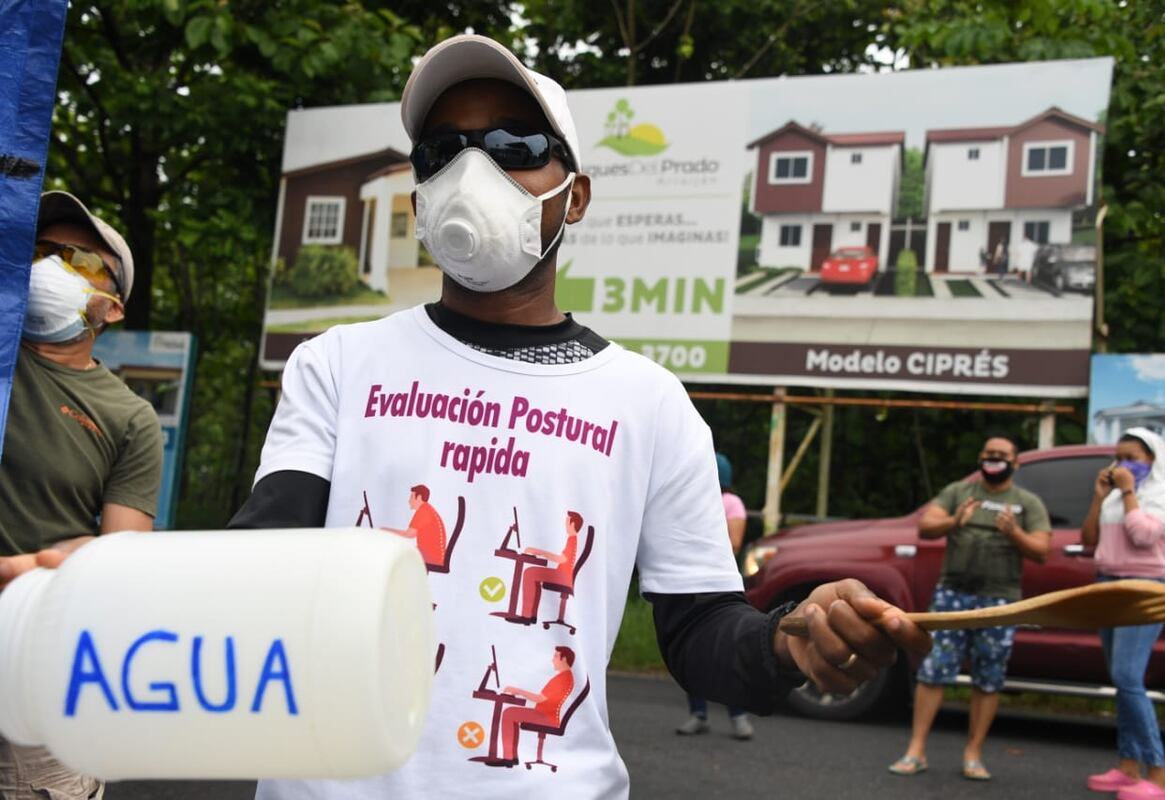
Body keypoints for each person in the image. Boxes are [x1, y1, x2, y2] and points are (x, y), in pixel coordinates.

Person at [230, 34, 930, 799]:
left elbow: (702, 633)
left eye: (514, 144)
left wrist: (790, 639)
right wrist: (112, 587)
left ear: (577, 196)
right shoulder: (335, 364)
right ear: (419, 194)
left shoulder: (650, 402)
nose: (474, 171)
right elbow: (264, 564)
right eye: (442, 151)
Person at [0, 191, 163, 799]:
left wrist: (48, 572)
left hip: (30, 679)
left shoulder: (129, 419)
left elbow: (116, 570)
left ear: (111, 307)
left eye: (78, 261)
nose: (51, 268)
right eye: (43, 251)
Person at [889, 433, 1050, 782]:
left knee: (988, 678)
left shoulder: (1027, 503)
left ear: (1015, 462)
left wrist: (1014, 533)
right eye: (989, 453)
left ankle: (973, 754)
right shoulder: (958, 493)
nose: (995, 459)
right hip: (952, 596)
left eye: (1002, 454)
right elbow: (926, 526)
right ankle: (915, 750)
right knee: (933, 671)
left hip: (1000, 601)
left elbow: (1041, 550)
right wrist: (954, 521)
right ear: (980, 458)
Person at [1081, 428, 1165, 800]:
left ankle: (1159, 777)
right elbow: (1089, 538)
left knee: (1128, 675)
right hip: (1109, 584)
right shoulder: (1112, 497)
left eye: (1132, 457)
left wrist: (1127, 492)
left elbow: (1142, 537)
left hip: (1145, 587)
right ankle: (1128, 767)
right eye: (1118, 456)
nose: (1122, 464)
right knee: (1119, 678)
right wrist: (1099, 499)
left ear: (1152, 459)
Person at [677, 453, 753, 739]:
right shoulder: (691, 499)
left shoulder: (731, 503)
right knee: (690, 652)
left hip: (720, 585)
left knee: (726, 652)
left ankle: (738, 715)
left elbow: (734, 544)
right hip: (690, 582)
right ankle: (698, 714)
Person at [499, 646, 576, 763]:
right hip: (545, 715)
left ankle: (509, 758)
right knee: (511, 713)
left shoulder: (563, 678)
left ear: (564, 659)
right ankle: (510, 757)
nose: (552, 660)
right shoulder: (565, 677)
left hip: (546, 717)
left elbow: (540, 699)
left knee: (509, 713)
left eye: (555, 656)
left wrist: (518, 691)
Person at [517, 511, 582, 620]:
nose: (565, 525)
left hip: (562, 576)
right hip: (563, 575)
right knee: (532, 574)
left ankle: (527, 616)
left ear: (572, 524)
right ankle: (530, 615)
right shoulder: (572, 539)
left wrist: (539, 552)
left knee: (530, 573)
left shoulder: (572, 539)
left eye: (567, 522)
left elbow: (562, 559)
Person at [386, 484, 447, 568]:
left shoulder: (424, 511)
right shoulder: (427, 509)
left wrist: (386, 531)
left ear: (419, 497)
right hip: (433, 555)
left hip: (431, 557)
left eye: (411, 497)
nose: (409, 501)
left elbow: (409, 534)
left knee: (395, 554)